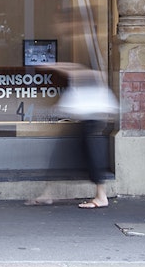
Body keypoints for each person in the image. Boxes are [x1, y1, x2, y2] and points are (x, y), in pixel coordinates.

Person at [51, 62, 118, 209]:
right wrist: (54, 66)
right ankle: (49, 194)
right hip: (90, 125)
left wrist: (53, 66)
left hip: (89, 125)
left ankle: (101, 197)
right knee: (82, 157)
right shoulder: (94, 82)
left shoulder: (86, 81)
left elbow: (73, 70)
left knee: (91, 158)